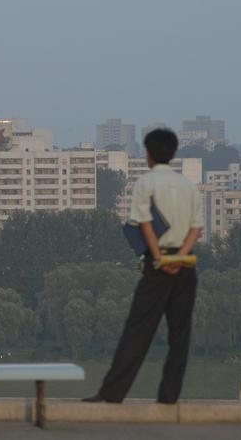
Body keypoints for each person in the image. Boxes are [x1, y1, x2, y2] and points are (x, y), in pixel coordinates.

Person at [83, 128, 203, 404]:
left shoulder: (146, 184)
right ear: (172, 154)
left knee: (138, 330)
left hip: (156, 265)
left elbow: (145, 225)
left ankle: (112, 393)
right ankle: (169, 397)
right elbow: (196, 229)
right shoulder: (188, 185)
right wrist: (179, 257)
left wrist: (161, 259)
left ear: (149, 155)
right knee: (180, 335)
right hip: (185, 265)